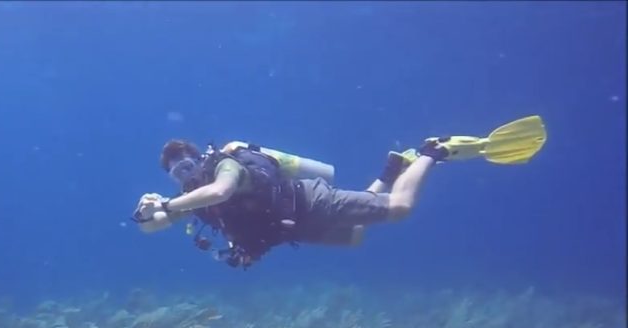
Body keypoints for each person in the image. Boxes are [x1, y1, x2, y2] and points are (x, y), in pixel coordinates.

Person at [132, 116, 547, 269]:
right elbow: (155, 227)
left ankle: (432, 151)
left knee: (399, 208)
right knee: (356, 236)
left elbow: (222, 191)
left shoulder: (225, 166)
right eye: (177, 172)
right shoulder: (189, 199)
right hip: (293, 226)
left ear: (200, 159)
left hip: (310, 201)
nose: (185, 174)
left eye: (187, 165)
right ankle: (390, 171)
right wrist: (146, 214)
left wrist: (167, 203)